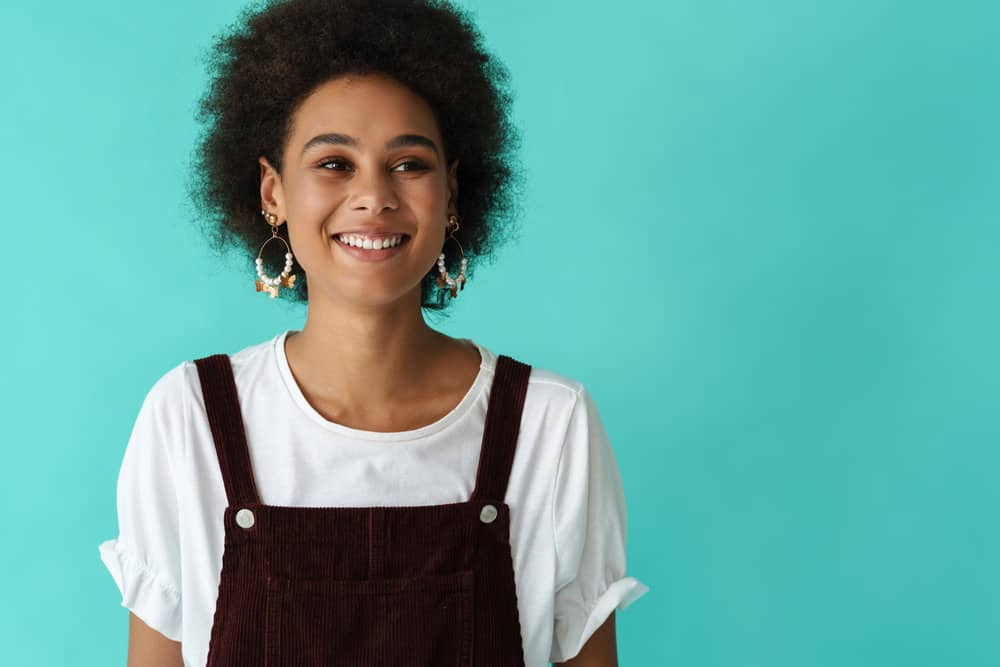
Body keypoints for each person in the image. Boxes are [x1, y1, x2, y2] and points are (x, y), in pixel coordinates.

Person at [97, 0, 649, 665]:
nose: (374, 196)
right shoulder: (189, 419)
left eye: (409, 164)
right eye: (334, 163)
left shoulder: (550, 426)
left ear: (453, 192)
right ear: (272, 191)